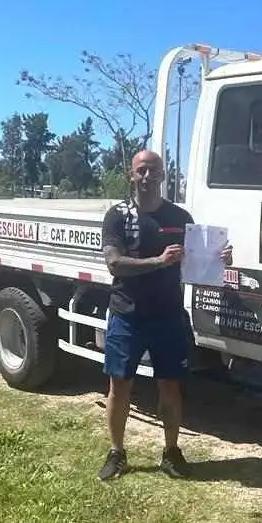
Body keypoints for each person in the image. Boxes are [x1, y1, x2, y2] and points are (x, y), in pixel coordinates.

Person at [97, 150, 233, 481]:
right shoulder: (117, 216)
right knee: (120, 386)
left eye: (154, 170)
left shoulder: (180, 216)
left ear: (163, 174)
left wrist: (219, 259)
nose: (148, 176)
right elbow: (114, 263)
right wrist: (158, 261)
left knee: (170, 387)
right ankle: (117, 453)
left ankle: (171, 452)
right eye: (141, 170)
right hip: (127, 314)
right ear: (131, 174)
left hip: (168, 315)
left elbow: (196, 261)